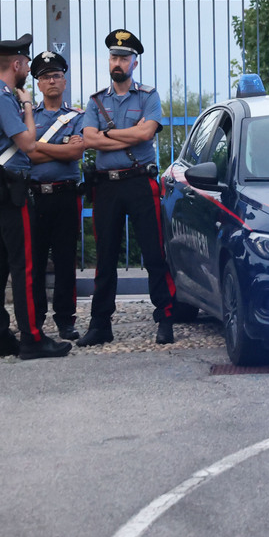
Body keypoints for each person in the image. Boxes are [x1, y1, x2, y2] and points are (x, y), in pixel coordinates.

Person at [0, 34, 73, 360]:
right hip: (12, 189)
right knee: (24, 265)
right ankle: (31, 337)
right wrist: (29, 105)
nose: (29, 68)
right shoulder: (3, 98)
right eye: (27, 63)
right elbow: (28, 144)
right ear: (16, 64)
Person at [79, 28, 176, 346]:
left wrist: (107, 137)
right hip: (107, 186)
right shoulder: (96, 101)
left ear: (134, 62)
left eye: (123, 57)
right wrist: (127, 133)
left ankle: (165, 317)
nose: (117, 61)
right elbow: (88, 139)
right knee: (105, 258)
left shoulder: (148, 97)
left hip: (140, 182)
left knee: (153, 253)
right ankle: (99, 324)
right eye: (113, 56)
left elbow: (146, 135)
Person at [27, 50, 87, 340]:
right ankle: (35, 318)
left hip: (65, 195)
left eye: (56, 75)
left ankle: (66, 320)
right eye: (45, 76)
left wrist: (39, 149)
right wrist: (60, 151)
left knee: (65, 260)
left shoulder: (77, 117)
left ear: (64, 81)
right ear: (37, 84)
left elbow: (76, 152)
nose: (51, 80)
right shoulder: (27, 116)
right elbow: (24, 155)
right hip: (35, 196)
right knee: (34, 261)